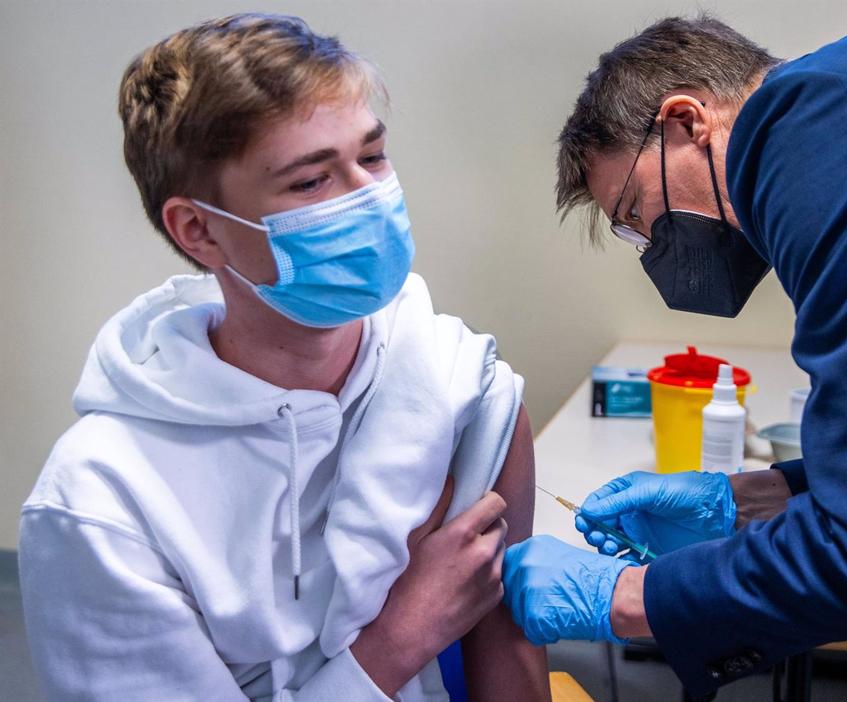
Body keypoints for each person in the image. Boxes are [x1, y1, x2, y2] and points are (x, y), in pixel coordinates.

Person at [18, 14, 549, 702]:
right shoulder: (102, 501)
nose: (367, 196)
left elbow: (506, 654)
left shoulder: (460, 390)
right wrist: (396, 642)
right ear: (199, 230)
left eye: (373, 155)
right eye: (310, 183)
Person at [502, 15, 847, 697]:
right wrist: (768, 498)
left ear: (686, 122)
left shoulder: (824, 137)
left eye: (638, 212)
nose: (654, 248)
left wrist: (626, 595)